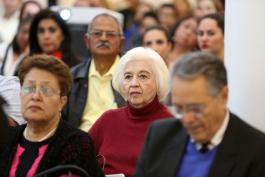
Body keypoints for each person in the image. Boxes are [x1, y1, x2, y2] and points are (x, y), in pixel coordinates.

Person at [134, 51, 265, 177]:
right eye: (179, 109)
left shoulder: (256, 150)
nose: (187, 119)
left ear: (223, 96)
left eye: (196, 109)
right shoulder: (160, 135)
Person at [0, 55, 104, 177]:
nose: (35, 96)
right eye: (29, 89)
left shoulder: (77, 143)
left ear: (62, 101)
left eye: (46, 90)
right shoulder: (6, 139)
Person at [89, 47, 172, 177]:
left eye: (143, 76)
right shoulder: (108, 119)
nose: (134, 83)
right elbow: (77, 160)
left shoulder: (172, 124)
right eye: (128, 76)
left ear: (158, 81)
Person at [63, 13, 126, 131]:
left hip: (119, 142)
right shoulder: (71, 76)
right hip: (81, 143)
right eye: (97, 33)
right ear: (87, 41)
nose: (103, 38)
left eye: (110, 34)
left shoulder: (132, 76)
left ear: (121, 43)